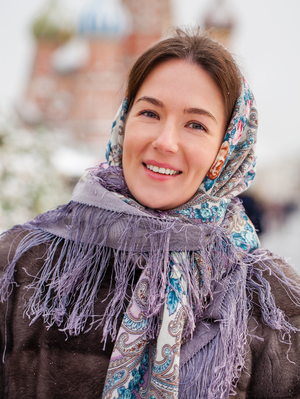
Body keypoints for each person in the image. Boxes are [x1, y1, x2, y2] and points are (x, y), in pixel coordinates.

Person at [0, 28, 300, 399]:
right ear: (124, 123)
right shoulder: (22, 266)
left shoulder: (269, 303)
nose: (164, 141)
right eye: (150, 112)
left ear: (227, 149)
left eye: (195, 124)